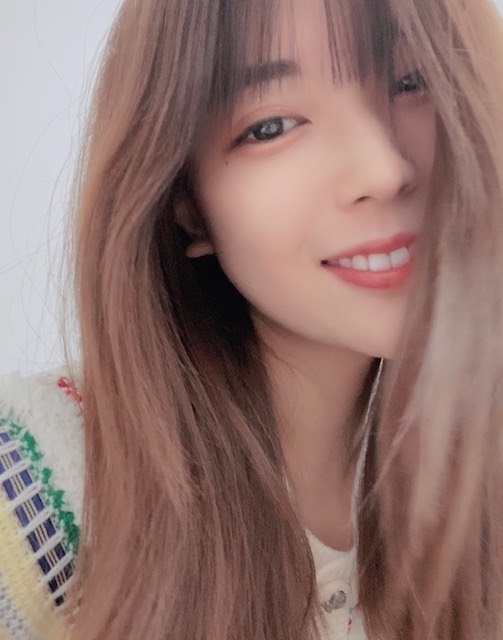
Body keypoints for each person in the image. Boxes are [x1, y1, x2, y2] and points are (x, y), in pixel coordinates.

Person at [1, 0, 502, 638]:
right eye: (273, 126)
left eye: (411, 81)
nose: (384, 170)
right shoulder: (35, 495)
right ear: (187, 206)